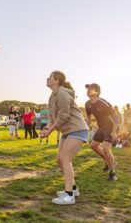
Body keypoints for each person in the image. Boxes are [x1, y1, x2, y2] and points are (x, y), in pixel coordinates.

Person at [40, 71, 89, 205]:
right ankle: (73, 188)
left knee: (65, 158)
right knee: (59, 160)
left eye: (49, 77)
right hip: (67, 131)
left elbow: (63, 116)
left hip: (78, 129)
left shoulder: (62, 94)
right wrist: (47, 129)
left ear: (56, 80)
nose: (47, 78)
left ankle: (69, 196)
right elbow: (51, 116)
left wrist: (50, 131)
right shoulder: (52, 96)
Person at [85, 83, 118, 181]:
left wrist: (114, 132)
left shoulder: (103, 102)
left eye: (91, 89)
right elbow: (88, 118)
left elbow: (116, 116)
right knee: (93, 146)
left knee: (106, 148)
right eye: (88, 89)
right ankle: (108, 162)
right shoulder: (87, 104)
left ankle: (113, 173)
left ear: (97, 92)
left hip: (110, 126)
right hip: (101, 127)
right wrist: (86, 128)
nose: (88, 90)